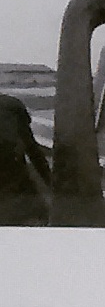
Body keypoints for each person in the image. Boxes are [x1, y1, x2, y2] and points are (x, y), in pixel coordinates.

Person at [0, 91, 53, 226]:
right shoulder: (12, 106)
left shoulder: (11, 106)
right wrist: (50, 181)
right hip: (15, 183)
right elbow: (32, 150)